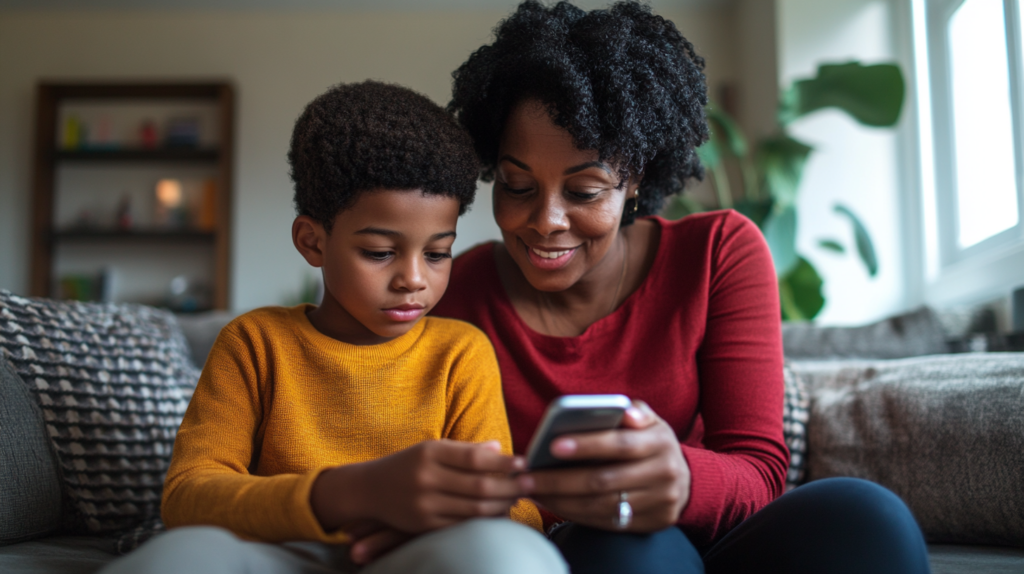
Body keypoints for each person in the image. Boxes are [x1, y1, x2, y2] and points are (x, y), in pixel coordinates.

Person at [429, 2, 933, 573]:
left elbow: (759, 473)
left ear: (636, 178)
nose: (546, 220)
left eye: (585, 190)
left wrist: (680, 476)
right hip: (578, 554)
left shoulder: (717, 252)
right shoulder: (453, 293)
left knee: (866, 517)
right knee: (624, 545)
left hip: (710, 536)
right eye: (518, 186)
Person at [98, 81, 566, 574]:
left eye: (436, 253)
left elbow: (515, 515)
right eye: (380, 252)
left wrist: (443, 515)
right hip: (279, 551)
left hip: (411, 556)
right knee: (175, 560)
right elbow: (190, 494)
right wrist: (346, 494)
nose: (413, 278)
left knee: (514, 558)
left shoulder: (460, 353)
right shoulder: (255, 343)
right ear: (313, 241)